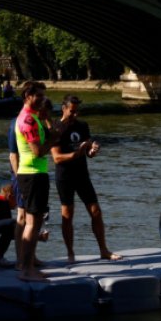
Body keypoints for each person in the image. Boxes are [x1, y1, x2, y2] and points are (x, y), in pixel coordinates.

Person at [51, 95, 120, 263]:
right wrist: (77, 153)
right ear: (64, 108)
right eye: (71, 112)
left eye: (77, 112)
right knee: (67, 214)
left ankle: (104, 250)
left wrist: (92, 151)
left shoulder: (82, 126)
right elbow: (57, 158)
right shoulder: (55, 127)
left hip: (82, 174)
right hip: (64, 176)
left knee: (95, 211)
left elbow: (88, 152)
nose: (75, 115)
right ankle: (70, 253)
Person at [15, 81, 67, 281]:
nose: (43, 100)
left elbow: (53, 128)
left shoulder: (34, 117)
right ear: (28, 95)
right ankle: (27, 270)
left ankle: (29, 266)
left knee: (34, 222)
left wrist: (48, 123)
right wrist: (53, 138)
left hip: (35, 174)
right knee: (32, 223)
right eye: (39, 96)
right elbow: (37, 151)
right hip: (32, 174)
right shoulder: (27, 120)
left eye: (44, 96)